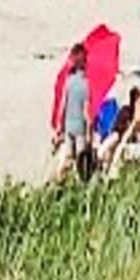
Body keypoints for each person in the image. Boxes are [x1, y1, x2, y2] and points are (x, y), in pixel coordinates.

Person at [57, 44, 93, 181]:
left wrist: (59, 125)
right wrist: (89, 131)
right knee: (80, 159)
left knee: (67, 157)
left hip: (68, 124)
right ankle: (79, 182)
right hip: (80, 126)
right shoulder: (86, 84)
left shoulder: (68, 81)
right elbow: (86, 111)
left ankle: (61, 180)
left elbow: (63, 104)